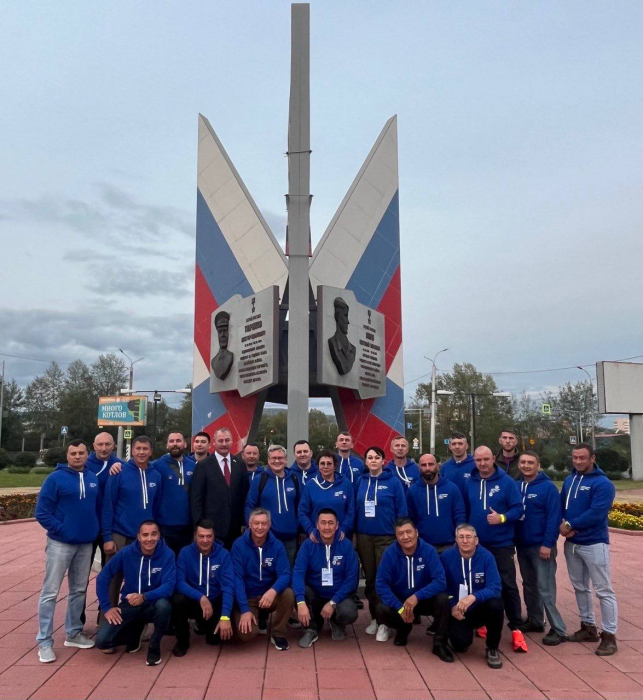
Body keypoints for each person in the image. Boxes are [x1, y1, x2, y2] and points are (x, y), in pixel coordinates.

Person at [34, 440, 100, 663]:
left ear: (87, 454)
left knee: (79, 590)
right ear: (67, 456)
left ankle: (73, 633)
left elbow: (96, 508)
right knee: (50, 592)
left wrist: (93, 529)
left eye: (81, 453)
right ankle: (44, 641)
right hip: (60, 544)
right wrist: (62, 529)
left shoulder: (93, 478)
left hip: (85, 543)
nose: (78, 456)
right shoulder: (55, 479)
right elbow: (42, 512)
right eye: (73, 453)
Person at [465, 445, 527, 652]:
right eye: (478, 460)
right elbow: (465, 510)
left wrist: (501, 517)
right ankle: (482, 622)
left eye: (486, 459)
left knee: (507, 584)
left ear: (493, 458)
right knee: (479, 584)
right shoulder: (469, 482)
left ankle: (516, 627)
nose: (482, 463)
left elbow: (518, 509)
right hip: (477, 545)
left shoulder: (507, 482)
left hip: (501, 544)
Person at [560, 443, 618, 655]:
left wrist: (569, 525)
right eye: (575, 457)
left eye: (582, 458)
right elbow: (561, 506)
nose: (578, 461)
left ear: (592, 458)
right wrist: (563, 525)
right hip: (572, 543)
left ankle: (609, 635)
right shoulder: (569, 480)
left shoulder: (603, 484)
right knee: (580, 587)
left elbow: (597, 513)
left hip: (594, 543)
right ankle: (588, 626)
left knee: (603, 590)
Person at [95, 520, 176, 666]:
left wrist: (144, 597)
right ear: (138, 537)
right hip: (131, 603)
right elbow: (103, 577)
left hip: (154, 602)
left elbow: (169, 586)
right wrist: (106, 608)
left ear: (159, 535)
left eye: (153, 534)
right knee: (102, 641)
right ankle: (134, 633)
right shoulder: (126, 552)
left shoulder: (167, 554)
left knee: (164, 606)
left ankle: (154, 646)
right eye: (145, 535)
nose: (149, 539)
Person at [375, 518, 453, 659]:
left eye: (409, 532)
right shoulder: (389, 553)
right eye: (400, 533)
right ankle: (403, 627)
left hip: (423, 600)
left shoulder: (429, 551)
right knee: (381, 608)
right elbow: (381, 584)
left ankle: (439, 644)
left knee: (443, 600)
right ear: (396, 536)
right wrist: (400, 608)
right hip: (401, 602)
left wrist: (417, 596)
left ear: (416, 532)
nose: (405, 537)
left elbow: (440, 581)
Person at [102, 435, 161, 612]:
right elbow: (108, 505)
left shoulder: (156, 475)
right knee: (113, 579)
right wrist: (107, 536)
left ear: (151, 452)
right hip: (120, 534)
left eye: (145, 449)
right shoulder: (119, 472)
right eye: (138, 449)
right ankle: (106, 618)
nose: (141, 452)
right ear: (132, 451)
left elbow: (155, 507)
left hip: (144, 538)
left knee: (141, 579)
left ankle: (136, 622)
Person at [354, 445, 407, 641]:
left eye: (377, 457)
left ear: (383, 461)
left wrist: (401, 535)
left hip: (387, 537)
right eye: (370, 458)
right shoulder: (360, 481)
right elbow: (354, 509)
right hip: (364, 537)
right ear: (366, 462)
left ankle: (386, 622)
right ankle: (375, 618)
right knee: (370, 579)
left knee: (384, 579)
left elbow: (402, 510)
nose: (373, 460)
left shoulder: (393, 482)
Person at [515, 451, 567, 645]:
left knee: (545, 588)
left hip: (541, 546)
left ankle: (558, 628)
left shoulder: (548, 488)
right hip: (522, 545)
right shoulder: (516, 486)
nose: (526, 465)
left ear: (538, 465)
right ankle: (535, 619)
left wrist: (548, 543)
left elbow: (554, 518)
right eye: (523, 462)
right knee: (529, 585)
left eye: (530, 462)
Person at [441, 524, 504, 669]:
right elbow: (442, 585)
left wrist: (473, 597)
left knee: (496, 604)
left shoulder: (487, 557)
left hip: (480, 607)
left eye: (468, 537)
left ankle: (492, 648)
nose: (465, 541)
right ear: (456, 540)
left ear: (476, 540)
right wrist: (452, 605)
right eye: (461, 537)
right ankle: (456, 633)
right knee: (460, 645)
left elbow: (495, 587)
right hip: (458, 610)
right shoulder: (446, 556)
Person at [294, 508, 359, 647]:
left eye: (330, 523)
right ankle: (312, 627)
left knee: (349, 611)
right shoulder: (308, 545)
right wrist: (300, 602)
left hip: (338, 597)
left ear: (337, 525)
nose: (327, 527)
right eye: (323, 523)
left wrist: (333, 602)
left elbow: (352, 579)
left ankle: (336, 621)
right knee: (297, 593)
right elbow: (298, 573)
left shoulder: (346, 545)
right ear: (317, 525)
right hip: (315, 594)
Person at [231, 508, 295, 651]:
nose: (260, 527)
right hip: (249, 597)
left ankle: (278, 633)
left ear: (269, 525)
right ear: (249, 524)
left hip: (268, 595)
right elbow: (237, 578)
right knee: (246, 635)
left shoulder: (277, 545)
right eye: (256, 523)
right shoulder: (239, 545)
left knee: (288, 594)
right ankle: (249, 615)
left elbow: (285, 574)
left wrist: (273, 590)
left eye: (264, 523)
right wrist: (244, 609)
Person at [172, 520, 234, 656]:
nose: (205, 540)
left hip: (215, 600)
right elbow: (179, 582)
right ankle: (183, 640)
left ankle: (204, 624)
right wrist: (201, 597)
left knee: (214, 641)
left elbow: (228, 586)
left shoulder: (224, 554)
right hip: (194, 600)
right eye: (201, 536)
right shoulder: (185, 552)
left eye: (209, 536)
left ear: (214, 536)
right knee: (177, 600)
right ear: (195, 536)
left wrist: (225, 617)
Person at [190, 427, 249, 549]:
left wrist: (244, 521)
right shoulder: (203, 466)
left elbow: (244, 495)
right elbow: (196, 498)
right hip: (211, 529)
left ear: (232, 442)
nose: (224, 444)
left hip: (235, 529)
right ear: (213, 443)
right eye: (220, 440)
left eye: (227, 440)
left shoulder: (240, 464)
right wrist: (199, 525)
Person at [245, 444, 300, 564]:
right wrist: (252, 528)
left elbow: (300, 507)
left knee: (288, 571)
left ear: (286, 459)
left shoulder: (294, 479)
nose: (277, 461)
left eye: (280, 458)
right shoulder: (260, 479)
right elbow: (250, 505)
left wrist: (300, 529)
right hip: (267, 538)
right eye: (273, 458)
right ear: (268, 460)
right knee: (267, 571)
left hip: (290, 539)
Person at [406, 453, 466, 553]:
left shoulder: (451, 488)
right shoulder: (413, 491)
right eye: (423, 465)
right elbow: (410, 519)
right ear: (419, 468)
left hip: (449, 546)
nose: (427, 468)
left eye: (431, 464)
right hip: (422, 547)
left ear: (438, 466)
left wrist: (460, 537)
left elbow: (460, 515)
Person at [151, 432, 196, 555]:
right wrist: (118, 465)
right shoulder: (157, 465)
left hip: (187, 526)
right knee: (167, 561)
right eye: (171, 441)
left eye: (178, 441)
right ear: (167, 445)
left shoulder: (193, 465)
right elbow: (138, 465)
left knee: (183, 561)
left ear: (185, 444)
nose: (175, 444)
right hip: (165, 526)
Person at [298, 450, 355, 540]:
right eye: (322, 463)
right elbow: (302, 511)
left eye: (329, 463)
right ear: (318, 466)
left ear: (335, 466)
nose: (325, 466)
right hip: (317, 537)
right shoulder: (310, 485)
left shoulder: (345, 483)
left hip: (340, 537)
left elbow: (351, 511)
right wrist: (310, 530)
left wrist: (343, 529)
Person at [441, 432, 475, 497]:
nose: (457, 447)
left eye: (460, 443)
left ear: (466, 446)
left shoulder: (475, 465)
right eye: (454, 444)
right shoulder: (444, 467)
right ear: (450, 446)